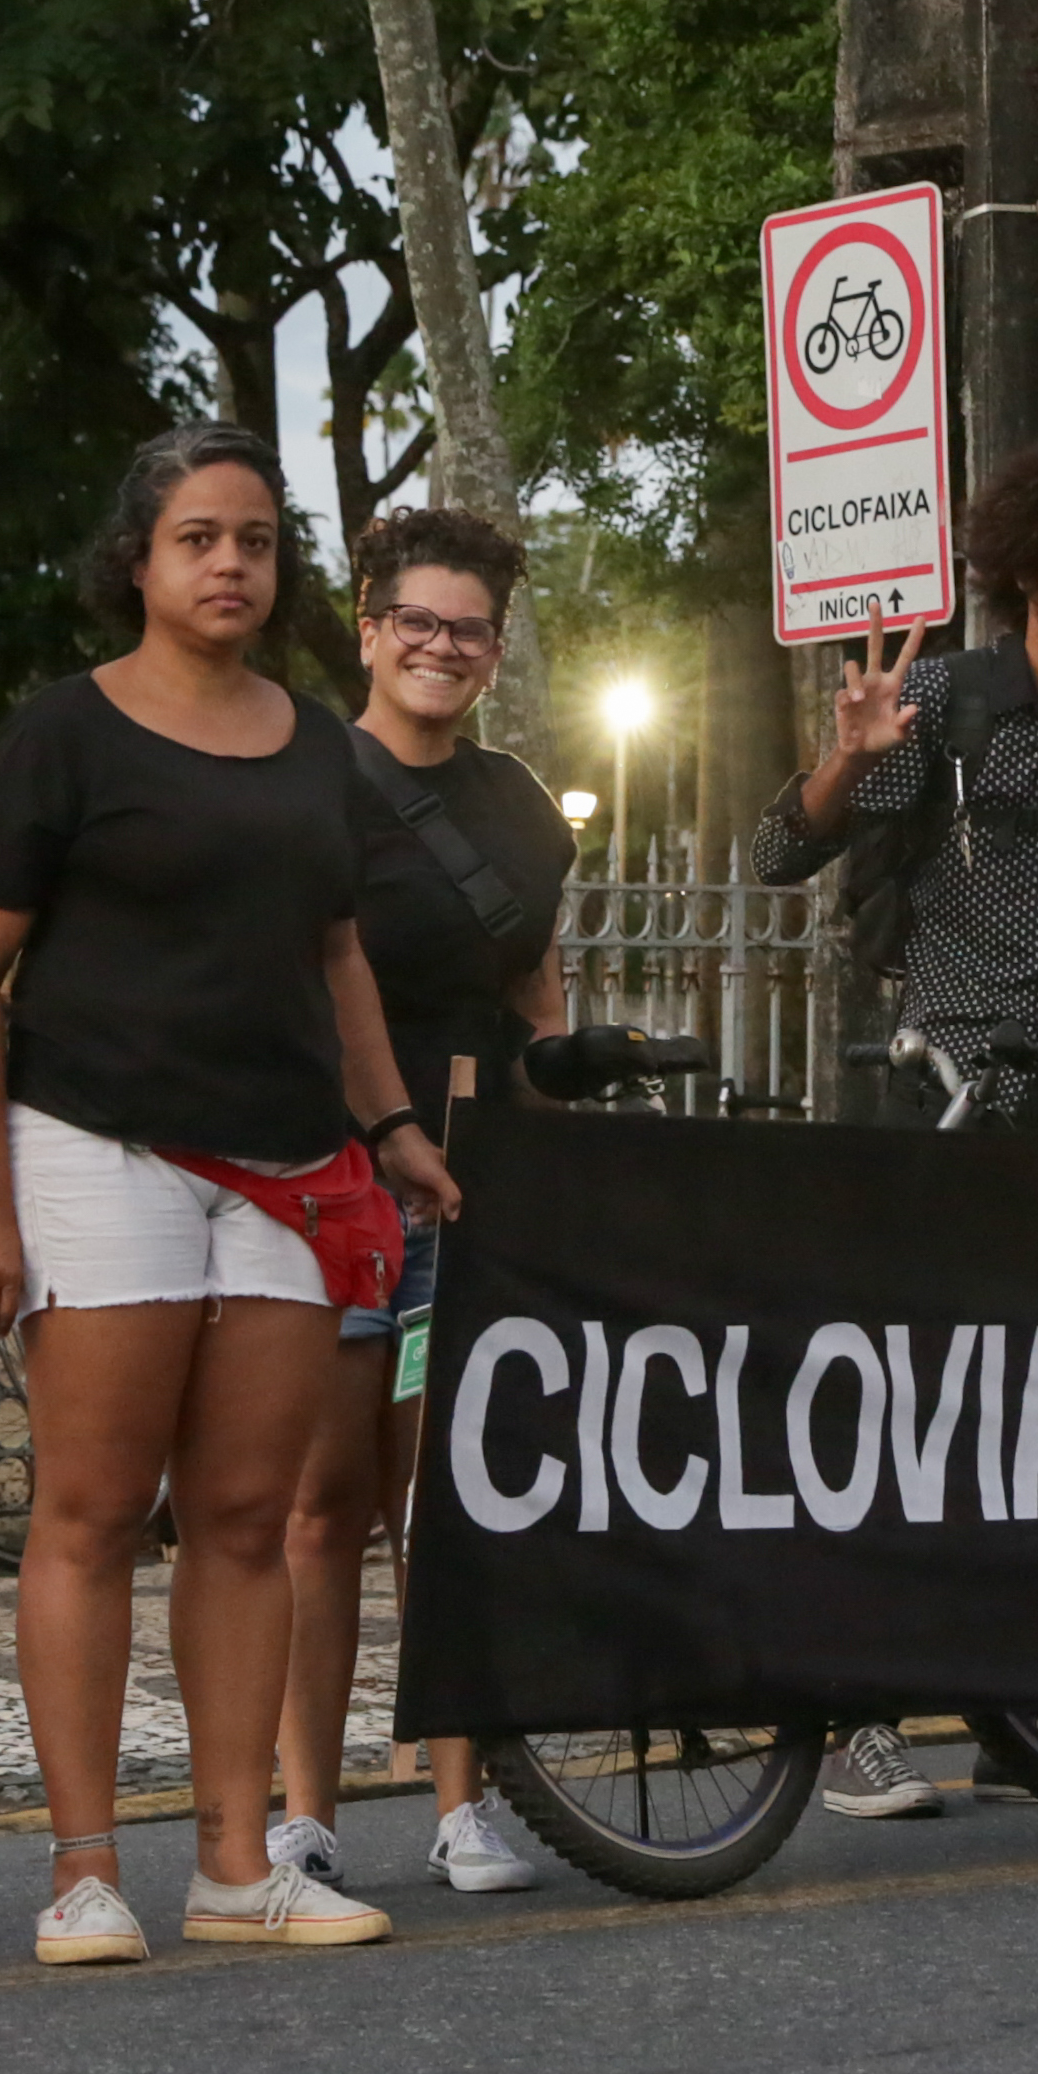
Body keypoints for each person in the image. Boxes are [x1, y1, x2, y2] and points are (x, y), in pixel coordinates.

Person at [0, 425, 464, 1964]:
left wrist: (392, 1127)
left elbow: (338, 951)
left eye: (255, 539)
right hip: (102, 1155)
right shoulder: (64, 737)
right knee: (95, 1509)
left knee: (250, 1514)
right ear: (141, 563)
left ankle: (238, 1863)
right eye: (199, 538)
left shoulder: (312, 744)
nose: (232, 563)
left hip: (294, 1172)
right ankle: (83, 1870)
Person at [753, 429, 1038, 1816]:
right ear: (1027, 561)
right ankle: (857, 1722)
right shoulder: (943, 703)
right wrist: (848, 760)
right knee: (904, 1417)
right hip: (936, 1096)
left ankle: (1017, 1707)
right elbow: (785, 851)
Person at [270, 510, 565, 1900]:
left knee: (451, 1506)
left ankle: (462, 1805)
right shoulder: (305, 774)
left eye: (471, 629)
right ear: (373, 628)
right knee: (326, 1505)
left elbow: (534, 989)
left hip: (475, 1183)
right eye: (420, 623)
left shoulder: (515, 800)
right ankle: (303, 1817)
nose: (444, 647)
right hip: (330, 1189)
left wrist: (548, 1122)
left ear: (494, 651)